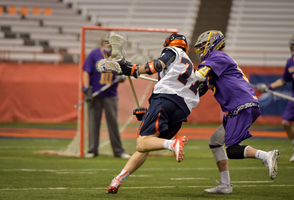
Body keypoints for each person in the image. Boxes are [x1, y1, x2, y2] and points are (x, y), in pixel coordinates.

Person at [103, 34, 200, 194]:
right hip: (183, 109)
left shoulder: (173, 51)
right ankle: (117, 180)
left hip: (165, 98)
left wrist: (133, 69)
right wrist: (149, 112)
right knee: (146, 145)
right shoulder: (189, 66)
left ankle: (173, 144)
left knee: (141, 143)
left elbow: (157, 65)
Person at [194, 30, 280, 194]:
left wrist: (180, 79)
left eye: (201, 46)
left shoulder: (217, 56)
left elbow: (199, 76)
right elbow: (198, 89)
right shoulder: (213, 62)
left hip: (241, 104)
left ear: (212, 44)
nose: (199, 50)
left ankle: (266, 155)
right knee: (215, 141)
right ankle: (225, 185)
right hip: (240, 106)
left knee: (233, 150)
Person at [82, 32, 130, 159]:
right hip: (95, 94)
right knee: (93, 122)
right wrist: (87, 88)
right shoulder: (94, 54)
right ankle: (92, 150)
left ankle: (118, 151)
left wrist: (122, 77)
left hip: (111, 94)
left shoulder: (117, 56)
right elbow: (86, 72)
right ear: (101, 43)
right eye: (105, 42)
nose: (107, 45)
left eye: (110, 43)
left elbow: (123, 71)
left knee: (113, 123)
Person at [256, 33, 294, 162]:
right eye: (293, 46)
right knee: (286, 123)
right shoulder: (290, 62)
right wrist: (269, 87)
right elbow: (285, 80)